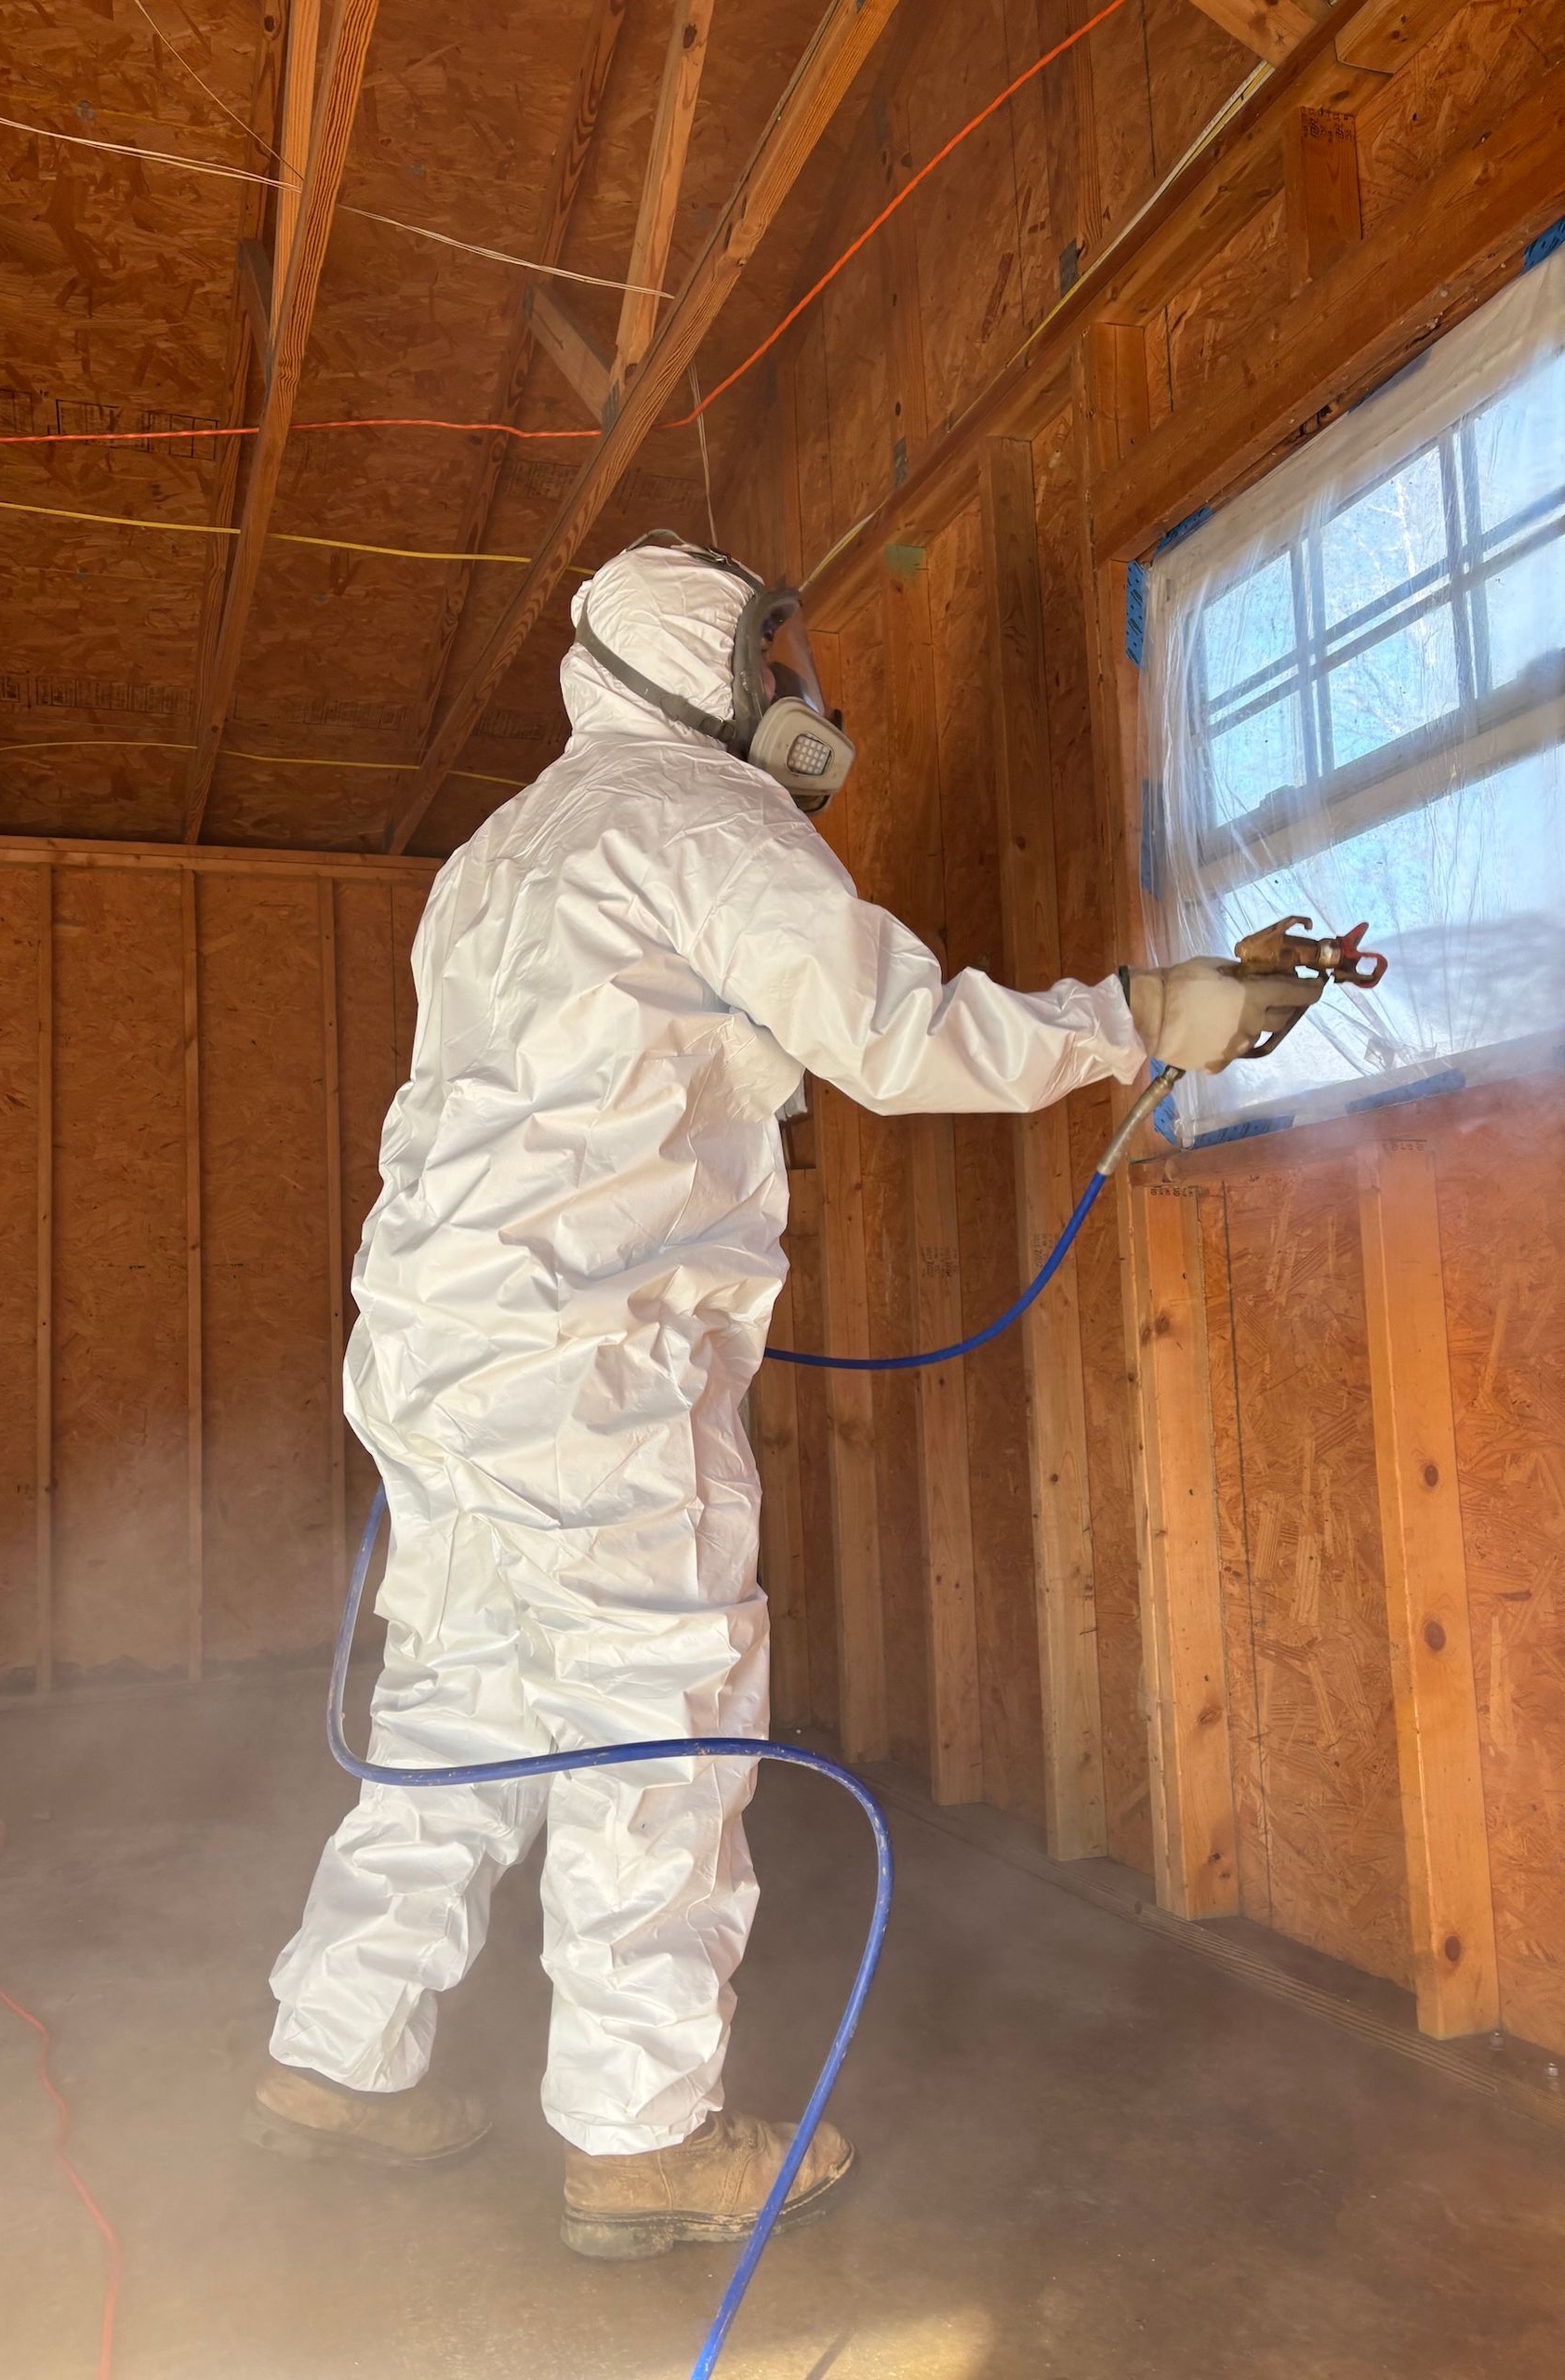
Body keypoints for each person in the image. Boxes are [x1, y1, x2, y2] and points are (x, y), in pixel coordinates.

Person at [248, 532, 1302, 2261]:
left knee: (464, 1708)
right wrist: (1145, 1016)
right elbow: (901, 1038)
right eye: (777, 661)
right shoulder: (703, 815)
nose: (807, 696)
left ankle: (335, 2058)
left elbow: (639, 1061)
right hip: (588, 1360)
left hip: (437, 1348)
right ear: (705, 674)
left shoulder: (500, 851)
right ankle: (642, 2137)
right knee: (658, 1715)